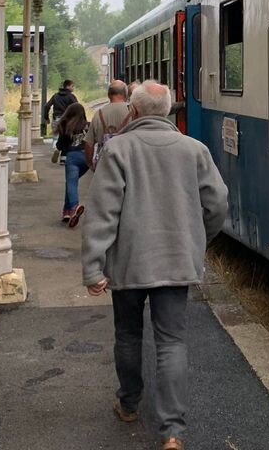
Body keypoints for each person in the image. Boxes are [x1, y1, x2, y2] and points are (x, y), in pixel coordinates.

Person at [82, 80, 228, 450]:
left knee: (129, 335)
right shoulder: (194, 149)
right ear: (167, 112)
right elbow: (217, 204)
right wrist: (197, 240)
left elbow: (102, 214)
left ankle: (129, 404)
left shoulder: (118, 150)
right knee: (171, 342)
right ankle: (172, 432)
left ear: (133, 111)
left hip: (128, 263)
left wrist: (93, 268)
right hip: (176, 261)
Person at [55, 102, 90, 227]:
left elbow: (60, 145)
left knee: (71, 183)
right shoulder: (87, 125)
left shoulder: (66, 125)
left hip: (73, 157)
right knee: (71, 182)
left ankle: (74, 207)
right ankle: (67, 211)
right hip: (86, 158)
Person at [84, 80, 130, 172]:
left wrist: (90, 164)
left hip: (105, 165)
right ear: (125, 93)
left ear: (109, 95)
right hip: (128, 162)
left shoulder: (99, 114)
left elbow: (89, 144)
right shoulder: (133, 111)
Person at [44, 79, 78, 160]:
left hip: (56, 118)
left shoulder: (55, 96)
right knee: (66, 138)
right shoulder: (71, 97)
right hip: (67, 120)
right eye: (72, 86)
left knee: (56, 137)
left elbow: (46, 106)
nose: (73, 88)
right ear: (68, 86)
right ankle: (63, 157)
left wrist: (46, 117)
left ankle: (56, 149)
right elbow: (77, 108)